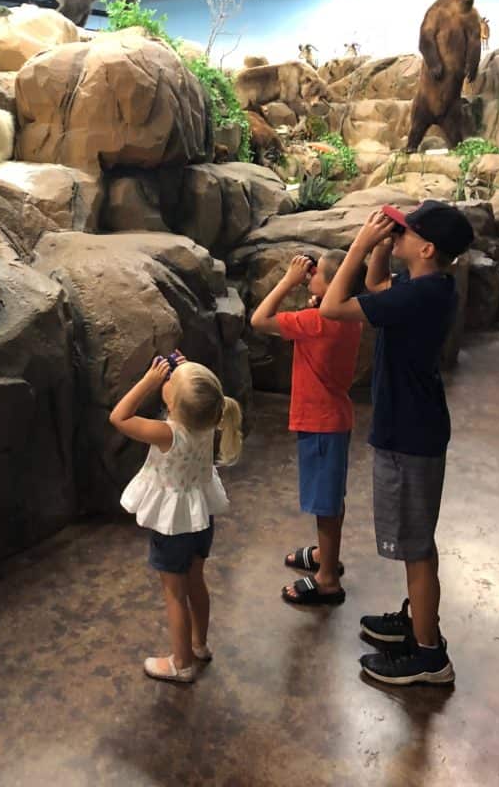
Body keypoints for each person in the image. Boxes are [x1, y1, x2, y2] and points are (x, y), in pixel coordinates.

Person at [320, 201, 474, 686]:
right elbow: (373, 287)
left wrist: (361, 245)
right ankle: (418, 623)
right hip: (414, 426)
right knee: (416, 542)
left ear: (426, 248)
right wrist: (383, 251)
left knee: (416, 547)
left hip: (409, 434)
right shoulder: (428, 285)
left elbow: (333, 307)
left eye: (404, 232)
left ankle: (429, 656)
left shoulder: (418, 296)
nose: (395, 234)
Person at [110, 353, 242, 683]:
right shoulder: (211, 417)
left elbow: (119, 417)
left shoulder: (168, 433)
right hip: (200, 518)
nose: (166, 381)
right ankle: (199, 645)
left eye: (170, 384)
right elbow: (199, 396)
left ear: (174, 404)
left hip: (174, 525)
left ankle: (180, 663)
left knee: (174, 593)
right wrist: (185, 371)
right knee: (196, 580)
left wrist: (148, 382)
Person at [251, 251, 364, 606]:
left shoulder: (314, 322)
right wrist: (319, 292)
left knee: (326, 504)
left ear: (331, 287)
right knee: (330, 498)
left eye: (316, 275)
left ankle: (328, 578)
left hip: (319, 422)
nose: (308, 277)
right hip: (335, 418)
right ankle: (324, 556)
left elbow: (259, 319)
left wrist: (288, 280)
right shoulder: (350, 316)